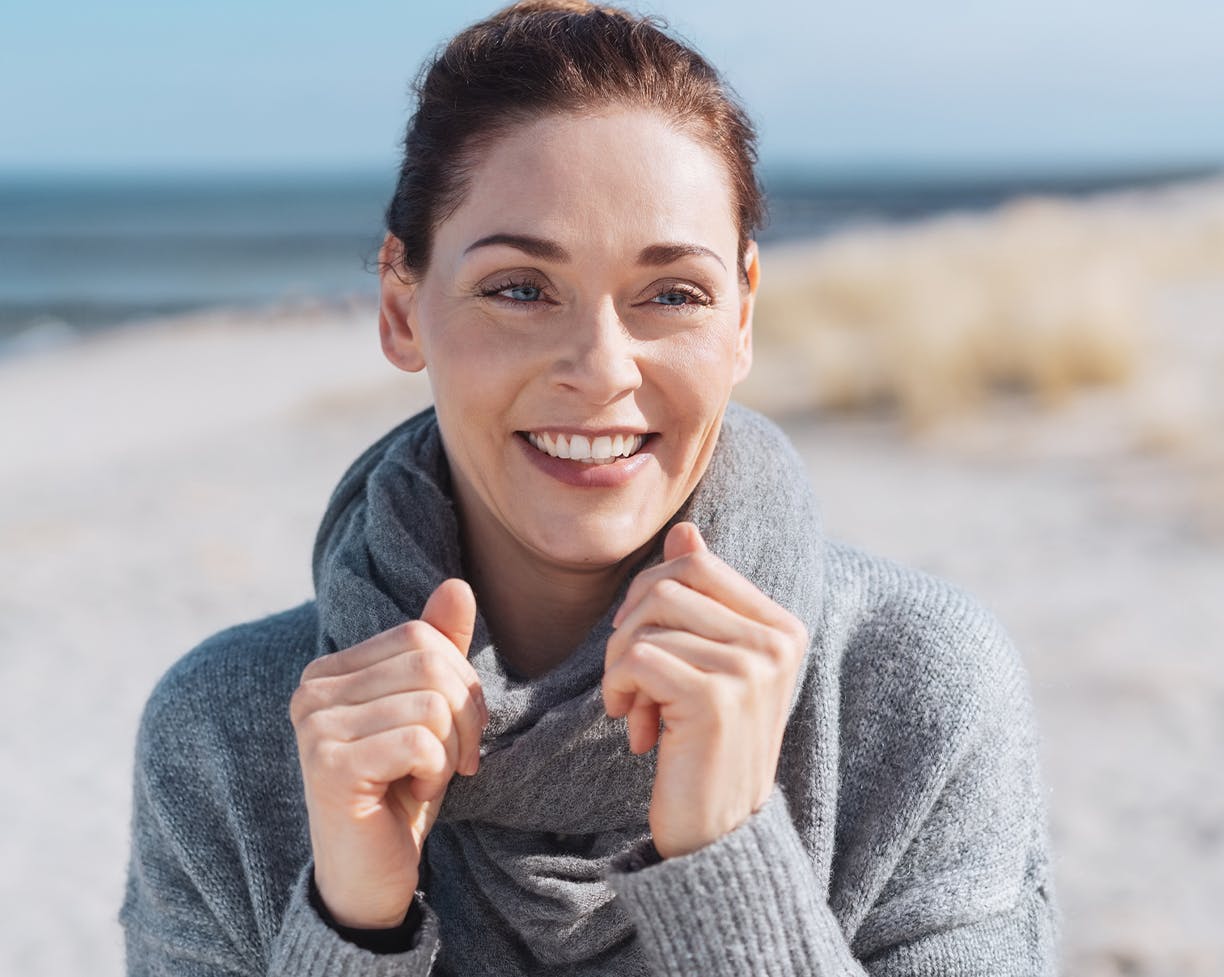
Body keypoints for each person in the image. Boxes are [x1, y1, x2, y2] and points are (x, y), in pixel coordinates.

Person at [120, 2, 1058, 974]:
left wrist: (728, 857)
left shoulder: (915, 689)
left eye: (672, 293)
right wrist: (352, 922)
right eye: (521, 287)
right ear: (402, 306)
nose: (602, 367)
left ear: (742, 315)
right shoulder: (228, 729)